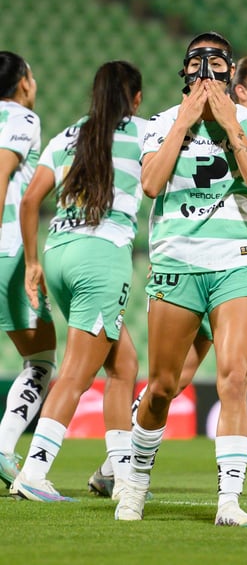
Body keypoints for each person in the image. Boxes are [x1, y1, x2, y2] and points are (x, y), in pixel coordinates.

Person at [89, 55, 247, 501]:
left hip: (233, 264)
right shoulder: (228, 129)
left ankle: (112, 468)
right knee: (193, 377)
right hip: (202, 265)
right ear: (239, 90)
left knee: (190, 378)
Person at [115, 32, 247, 526]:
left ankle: (229, 501)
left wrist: (230, 125)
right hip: (176, 262)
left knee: (233, 375)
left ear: (231, 71)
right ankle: (135, 481)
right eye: (197, 61)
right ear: (184, 71)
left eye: (217, 62)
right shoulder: (161, 123)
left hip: (236, 261)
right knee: (162, 386)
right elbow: (149, 183)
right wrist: (185, 121)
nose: (207, 70)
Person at [9, 60, 145, 501]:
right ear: (136, 98)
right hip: (101, 257)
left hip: (57, 254)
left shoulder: (68, 135)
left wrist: (32, 263)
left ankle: (122, 475)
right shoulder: (141, 134)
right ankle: (33, 471)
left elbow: (30, 201)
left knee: (123, 364)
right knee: (75, 372)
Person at [0, 51, 56, 488]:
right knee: (41, 357)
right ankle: (3, 448)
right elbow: (1, 174)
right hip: (8, 252)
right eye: (31, 75)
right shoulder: (21, 118)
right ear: (22, 82)